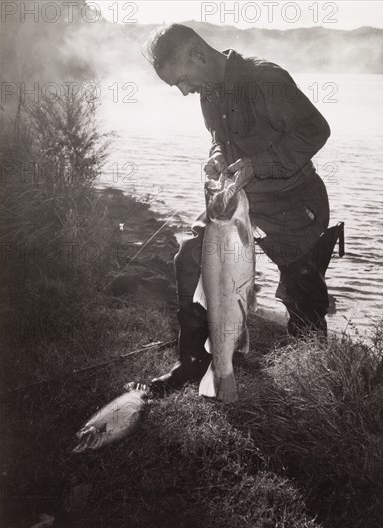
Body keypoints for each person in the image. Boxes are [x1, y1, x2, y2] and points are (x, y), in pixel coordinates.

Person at [144, 24, 343, 395]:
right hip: (239, 203)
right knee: (189, 258)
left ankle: (313, 379)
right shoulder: (208, 92)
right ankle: (195, 364)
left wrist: (256, 164)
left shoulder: (265, 79)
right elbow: (218, 139)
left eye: (183, 80)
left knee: (302, 299)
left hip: (292, 204)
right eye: (178, 87)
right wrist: (217, 156)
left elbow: (315, 130)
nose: (185, 91)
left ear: (198, 55)